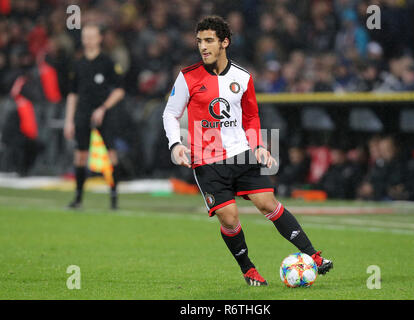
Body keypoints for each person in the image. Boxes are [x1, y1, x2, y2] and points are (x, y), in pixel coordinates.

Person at [162, 16, 333, 287]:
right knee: (229, 219)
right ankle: (249, 270)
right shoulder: (187, 77)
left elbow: (251, 117)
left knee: (268, 203)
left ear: (224, 42)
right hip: (206, 161)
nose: (203, 47)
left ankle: (314, 256)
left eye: (209, 41)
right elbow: (171, 113)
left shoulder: (243, 78)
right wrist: (176, 143)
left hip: (241, 154)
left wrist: (259, 147)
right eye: (199, 41)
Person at [64, 24, 125, 210]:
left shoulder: (107, 62)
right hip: (82, 112)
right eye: (85, 36)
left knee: (111, 154)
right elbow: (72, 94)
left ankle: (114, 199)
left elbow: (120, 90)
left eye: (92, 36)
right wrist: (69, 120)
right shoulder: (78, 63)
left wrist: (103, 108)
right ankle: (78, 198)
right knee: (80, 155)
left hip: (104, 113)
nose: (88, 40)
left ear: (99, 38)